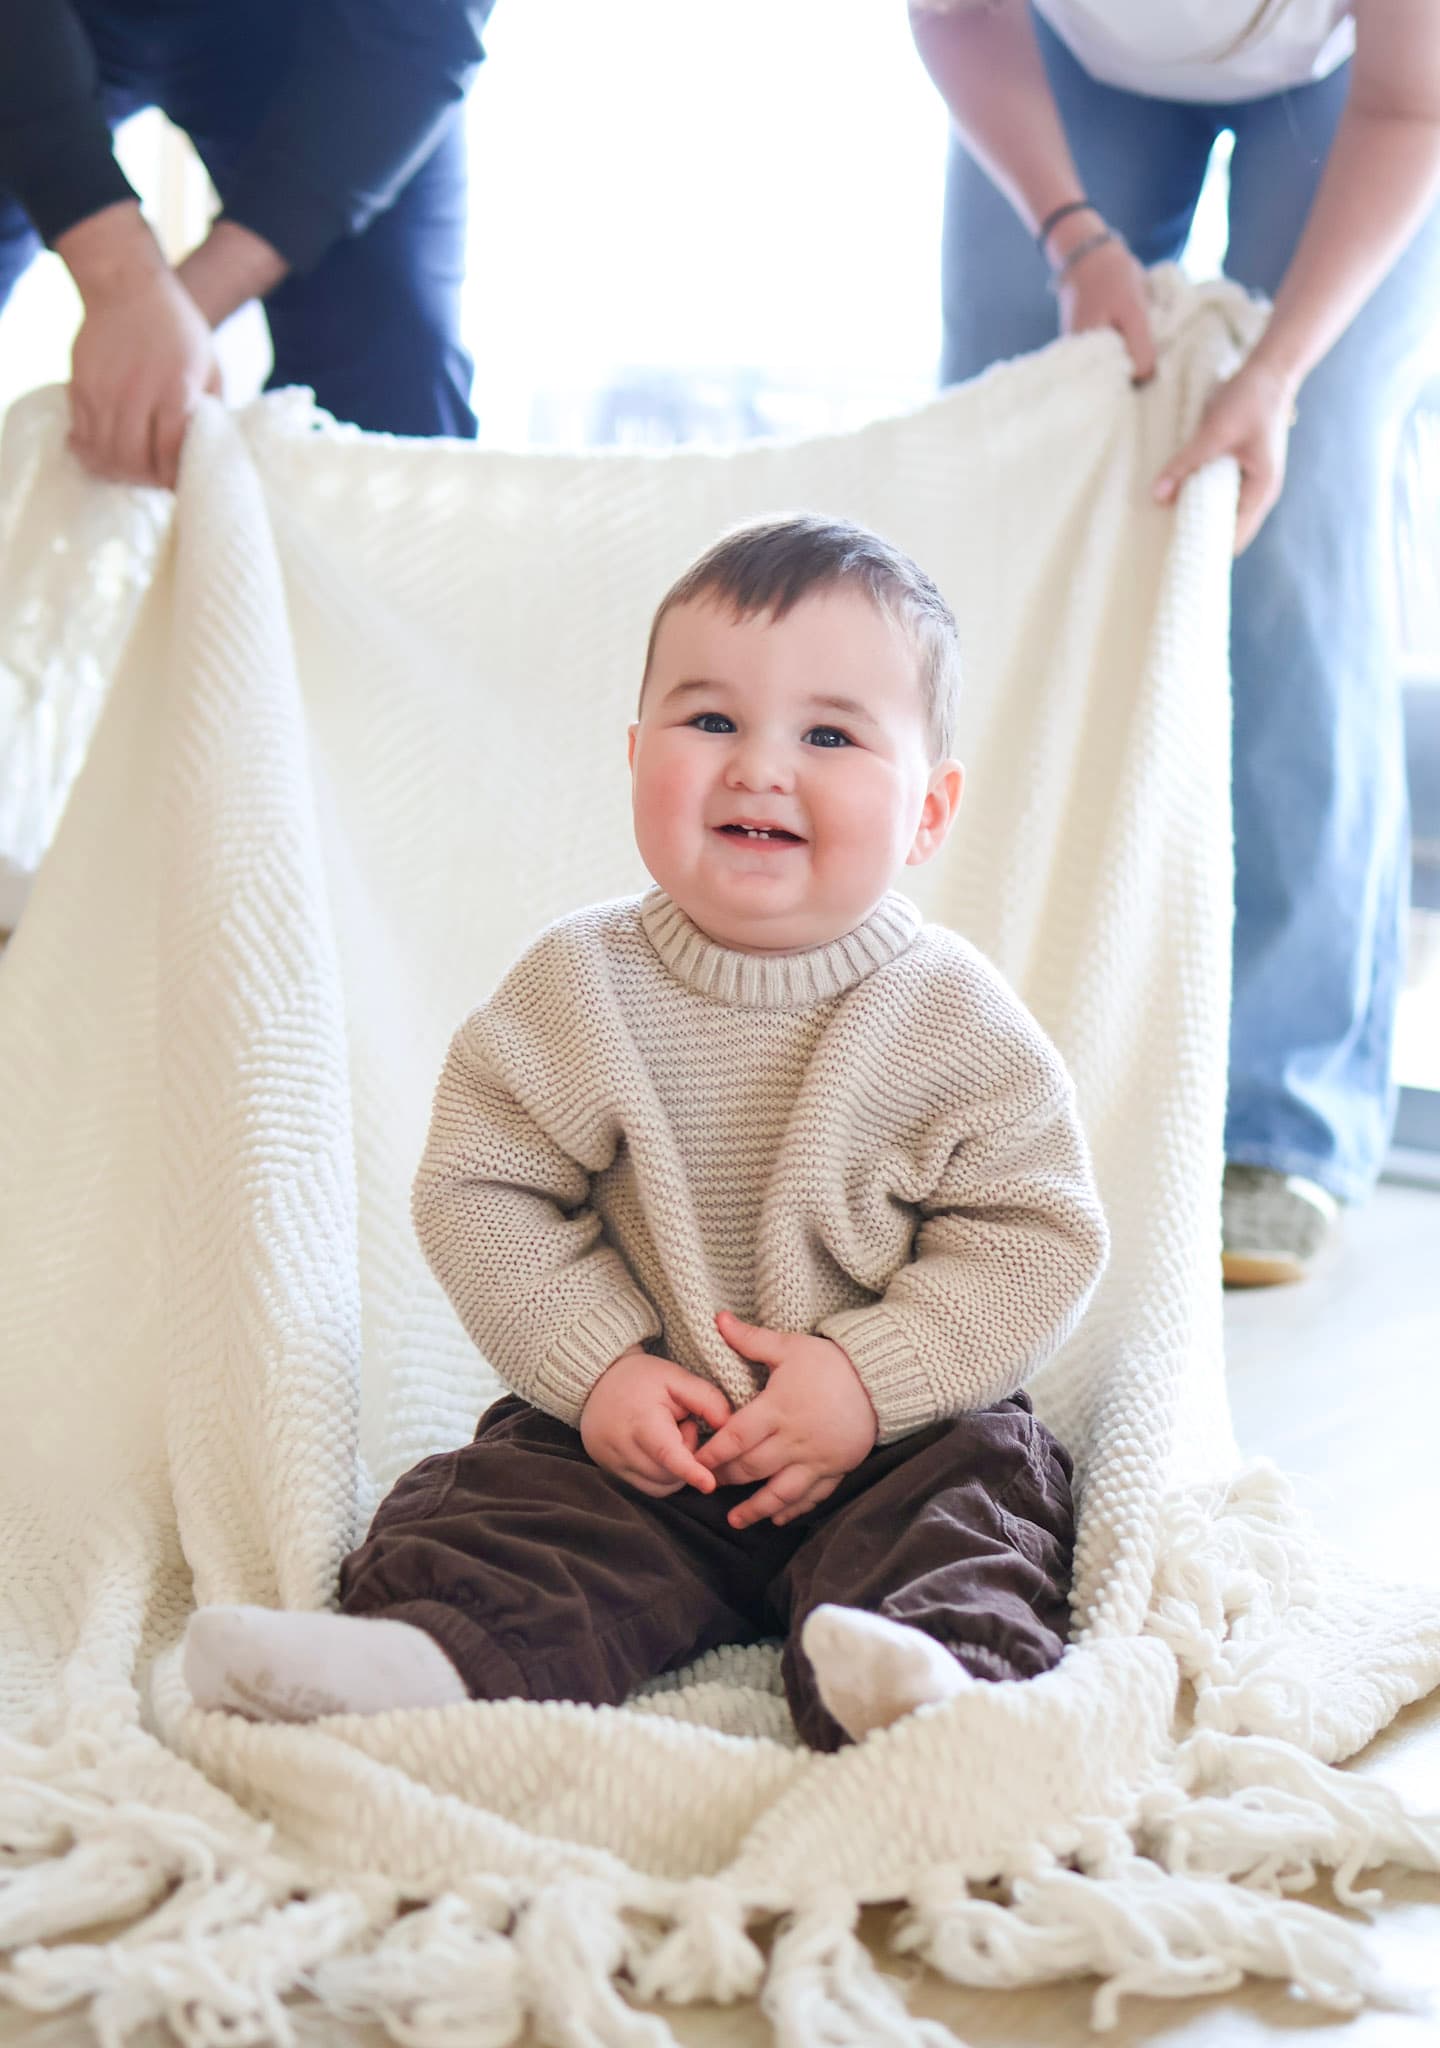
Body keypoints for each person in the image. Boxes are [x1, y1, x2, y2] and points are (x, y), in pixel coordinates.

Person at [182, 514, 1110, 1750]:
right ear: (635, 755)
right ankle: (425, 1652)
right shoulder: (580, 985)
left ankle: (924, 1672)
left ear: (930, 809)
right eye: (710, 720)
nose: (758, 767)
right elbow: (481, 1188)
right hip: (638, 1436)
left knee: (979, 1498)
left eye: (829, 734)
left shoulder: (953, 1015)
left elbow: (1034, 1235)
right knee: (504, 1500)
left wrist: (868, 1378)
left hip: (892, 1437)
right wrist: (598, 1362)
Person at [908, 0, 1440, 1285]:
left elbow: (1409, 101)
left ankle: (1280, 1114)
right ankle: (972, 1053)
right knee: (1007, 453)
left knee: (1299, 518)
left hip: (1353, 88)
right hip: (1051, 54)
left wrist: (1277, 375)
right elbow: (957, 13)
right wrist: (1071, 238)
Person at [0, 0, 496, 488]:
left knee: (398, 357)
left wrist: (168, 323)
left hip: (321, 27)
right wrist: (119, 280)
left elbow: (418, 32)